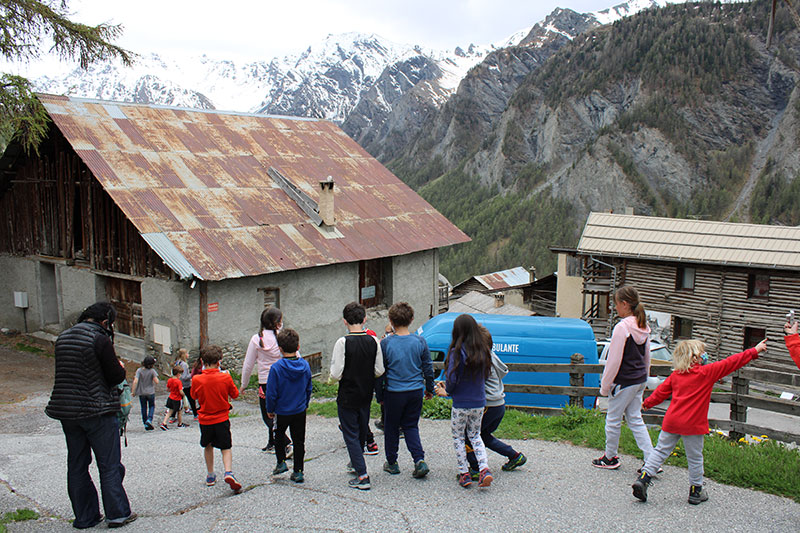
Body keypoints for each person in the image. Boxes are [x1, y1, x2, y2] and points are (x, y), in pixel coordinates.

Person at [633, 337, 767, 504]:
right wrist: (755, 351)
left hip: (672, 421)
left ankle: (644, 478)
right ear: (694, 357)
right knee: (695, 457)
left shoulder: (676, 375)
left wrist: (647, 403)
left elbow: (661, 392)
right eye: (702, 352)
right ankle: (696, 491)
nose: (705, 355)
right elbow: (732, 362)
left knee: (660, 451)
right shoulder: (707, 373)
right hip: (693, 424)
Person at [45, 302, 136, 529]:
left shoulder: (63, 338)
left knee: (77, 464)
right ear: (105, 322)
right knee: (108, 464)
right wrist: (120, 365)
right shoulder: (100, 339)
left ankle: (85, 517)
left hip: (68, 412)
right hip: (98, 410)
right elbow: (115, 376)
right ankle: (117, 514)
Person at [593, 286, 654, 470]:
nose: (614, 308)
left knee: (613, 419)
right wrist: (646, 376)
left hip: (624, 381)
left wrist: (605, 386)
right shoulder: (643, 326)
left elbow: (613, 360)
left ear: (625, 304)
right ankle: (652, 460)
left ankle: (610, 457)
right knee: (635, 418)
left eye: (616, 304)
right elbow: (647, 357)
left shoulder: (622, 328)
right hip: (639, 379)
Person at [330, 302, 385, 490]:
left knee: (350, 433)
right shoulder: (373, 341)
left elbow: (336, 373)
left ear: (344, 321)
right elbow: (379, 370)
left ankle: (362, 475)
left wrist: (333, 378)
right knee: (361, 429)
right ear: (365, 319)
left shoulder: (342, 342)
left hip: (347, 394)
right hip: (366, 392)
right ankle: (356, 463)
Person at [434, 314, 493, 488]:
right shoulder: (482, 351)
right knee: (475, 436)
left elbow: (452, 378)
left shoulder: (456, 352)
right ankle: (484, 469)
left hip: (461, 403)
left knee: (459, 437)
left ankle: (464, 473)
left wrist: (447, 391)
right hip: (478, 402)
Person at [379, 302, 434, 478]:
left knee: (391, 427)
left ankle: (392, 463)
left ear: (390, 321)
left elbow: (381, 372)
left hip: (394, 392)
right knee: (411, 426)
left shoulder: (386, 344)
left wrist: (379, 395)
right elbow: (428, 368)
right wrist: (430, 389)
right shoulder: (420, 341)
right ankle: (419, 460)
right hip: (415, 390)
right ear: (411, 320)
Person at [464, 325, 526, 478]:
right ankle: (514, 456)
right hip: (499, 405)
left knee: (469, 435)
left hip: (488, 406)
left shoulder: (481, 362)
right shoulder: (492, 357)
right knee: (483, 435)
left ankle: (475, 468)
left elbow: (473, 386)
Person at [191, 344, 242, 492]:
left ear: (202, 361)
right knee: (226, 447)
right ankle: (228, 472)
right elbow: (235, 394)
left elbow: (194, 396)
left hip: (205, 419)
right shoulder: (225, 377)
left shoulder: (197, 380)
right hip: (221, 418)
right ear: (219, 361)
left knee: (208, 445)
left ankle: (210, 475)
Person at [267, 328, 313, 484]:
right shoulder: (305, 365)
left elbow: (271, 393)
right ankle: (299, 471)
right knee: (299, 440)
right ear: (298, 347)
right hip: (299, 409)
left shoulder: (276, 368)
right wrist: (305, 402)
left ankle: (281, 462)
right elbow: (308, 387)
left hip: (282, 410)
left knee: (278, 435)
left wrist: (270, 409)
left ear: (280, 349)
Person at [240, 307, 285, 452]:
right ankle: (273, 441)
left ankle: (284, 442)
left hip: (265, 382)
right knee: (279, 412)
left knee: (267, 414)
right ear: (277, 322)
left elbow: (248, 364)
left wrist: (243, 384)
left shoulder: (257, 339)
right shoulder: (282, 337)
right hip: (282, 380)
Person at [131, 356, 159, 431]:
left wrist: (133, 391)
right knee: (152, 406)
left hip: (142, 392)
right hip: (150, 392)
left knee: (143, 407)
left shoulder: (139, 371)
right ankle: (149, 419)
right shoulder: (152, 371)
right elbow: (157, 381)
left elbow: (135, 381)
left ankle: (145, 423)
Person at [160, 366, 187, 430]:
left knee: (170, 411)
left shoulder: (170, 380)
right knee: (179, 411)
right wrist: (184, 395)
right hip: (177, 399)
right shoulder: (178, 381)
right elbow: (181, 391)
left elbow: (168, 389)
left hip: (171, 397)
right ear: (178, 374)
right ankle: (180, 424)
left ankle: (164, 423)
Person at [175, 348, 197, 418]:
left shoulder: (177, 362)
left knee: (178, 399)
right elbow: (184, 376)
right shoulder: (184, 364)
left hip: (179, 383)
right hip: (185, 384)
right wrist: (191, 375)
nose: (188, 355)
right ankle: (195, 414)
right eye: (187, 353)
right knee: (191, 399)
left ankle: (172, 415)